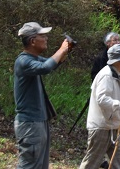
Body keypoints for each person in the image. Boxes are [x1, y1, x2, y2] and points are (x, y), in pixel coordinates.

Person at [13, 22, 72, 169]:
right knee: (29, 166)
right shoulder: (24, 61)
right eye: (42, 36)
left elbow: (51, 63)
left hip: (38, 122)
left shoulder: (32, 59)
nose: (46, 38)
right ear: (33, 41)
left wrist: (65, 52)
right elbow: (45, 68)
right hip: (30, 124)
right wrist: (61, 49)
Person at [78, 44, 120, 169]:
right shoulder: (106, 75)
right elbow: (101, 99)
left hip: (113, 126)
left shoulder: (115, 74)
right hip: (101, 127)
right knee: (91, 163)